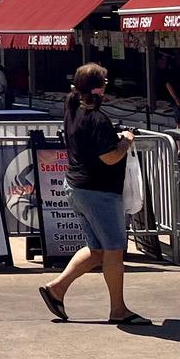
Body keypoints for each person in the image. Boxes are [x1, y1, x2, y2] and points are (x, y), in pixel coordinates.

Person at [40, 65, 145, 326]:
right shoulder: (97, 119)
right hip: (98, 192)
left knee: (97, 250)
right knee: (114, 250)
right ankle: (118, 309)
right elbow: (110, 157)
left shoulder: (72, 108)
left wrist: (115, 138)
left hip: (76, 187)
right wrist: (126, 140)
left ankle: (56, 289)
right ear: (103, 86)